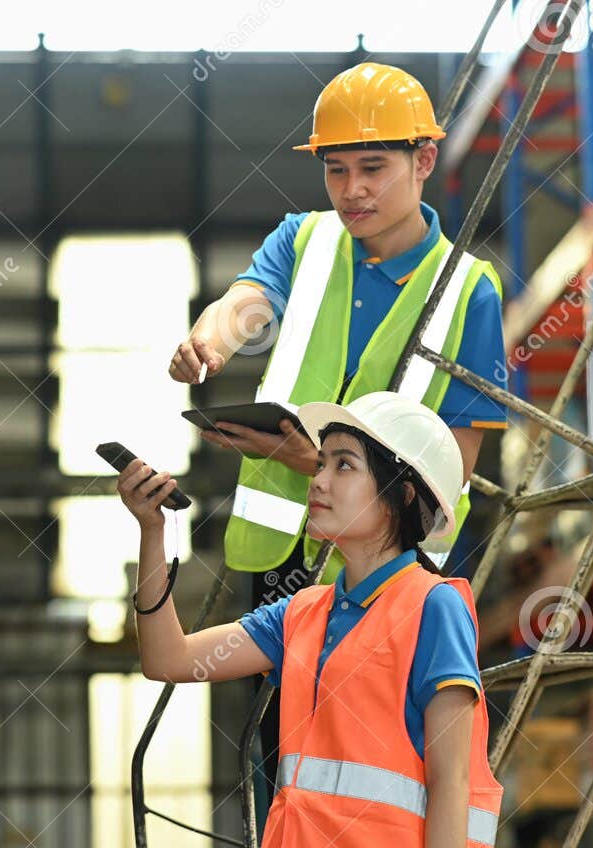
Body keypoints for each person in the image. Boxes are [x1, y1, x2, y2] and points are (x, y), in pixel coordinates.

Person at [115, 391, 502, 848]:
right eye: (321, 463)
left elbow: (452, 785)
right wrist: (152, 532)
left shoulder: (434, 607)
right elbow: (169, 659)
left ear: (404, 495)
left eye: (344, 466)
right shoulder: (303, 613)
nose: (317, 480)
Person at [167, 61, 509, 596]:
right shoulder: (304, 241)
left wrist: (316, 463)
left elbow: (455, 466)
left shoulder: (470, 292)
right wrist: (208, 344)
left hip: (392, 570)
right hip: (279, 562)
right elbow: (246, 303)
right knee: (281, 684)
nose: (352, 190)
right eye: (336, 169)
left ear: (424, 160)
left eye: (373, 168)